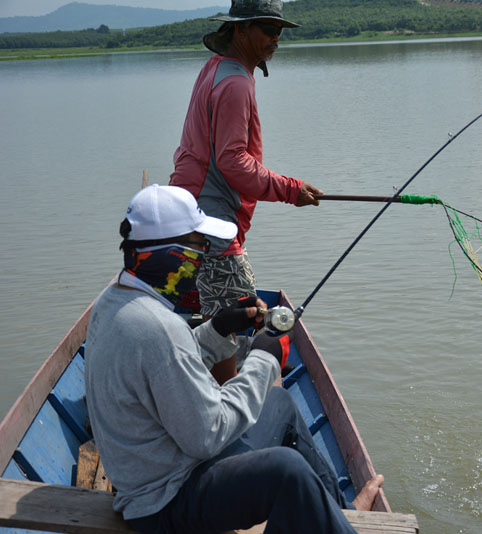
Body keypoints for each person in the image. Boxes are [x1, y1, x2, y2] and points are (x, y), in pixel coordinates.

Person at [84, 184, 383, 533]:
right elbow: (208, 434)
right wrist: (264, 359)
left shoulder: (115, 299)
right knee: (287, 472)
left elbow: (164, 365)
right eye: (200, 247)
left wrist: (218, 328)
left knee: (280, 402)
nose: (206, 257)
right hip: (163, 503)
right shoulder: (158, 327)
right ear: (170, 254)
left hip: (159, 472)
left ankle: (336, 513)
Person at [169, 0, 322, 384]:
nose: (275, 38)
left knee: (217, 317)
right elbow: (234, 162)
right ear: (240, 30)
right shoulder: (235, 83)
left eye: (279, 30)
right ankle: (225, 409)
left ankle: (205, 390)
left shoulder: (215, 69)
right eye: (267, 29)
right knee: (236, 315)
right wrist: (291, 189)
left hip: (189, 212)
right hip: (212, 222)